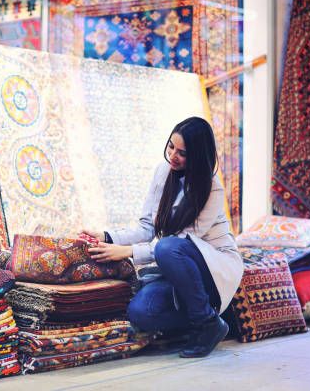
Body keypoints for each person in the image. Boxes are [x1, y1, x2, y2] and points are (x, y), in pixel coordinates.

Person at [82, 116, 243, 358]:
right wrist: (107, 236)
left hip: (213, 264)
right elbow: (147, 226)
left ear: (198, 155)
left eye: (183, 153)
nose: (173, 156)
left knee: (167, 248)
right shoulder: (163, 171)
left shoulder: (212, 186)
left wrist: (129, 252)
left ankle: (206, 322)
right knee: (141, 312)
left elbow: (184, 240)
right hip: (177, 267)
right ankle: (207, 318)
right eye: (171, 147)